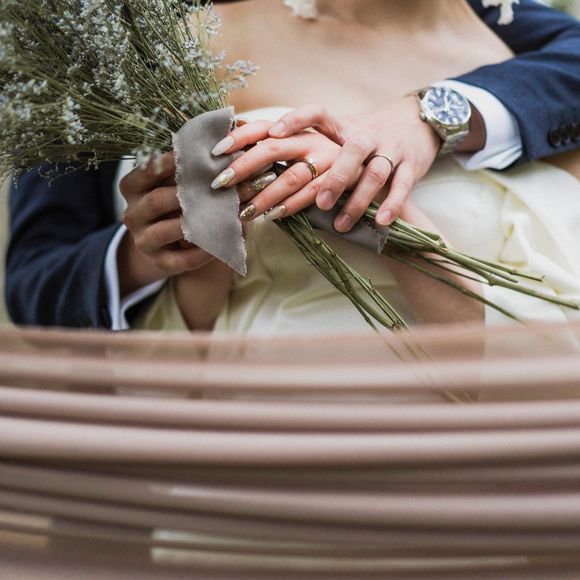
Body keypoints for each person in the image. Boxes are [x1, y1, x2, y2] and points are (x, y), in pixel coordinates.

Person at [5, 0, 580, 329]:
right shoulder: (98, 38)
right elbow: (35, 280)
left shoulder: (500, 32)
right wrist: (146, 254)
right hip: (241, 429)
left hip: (497, 433)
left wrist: (429, 116)